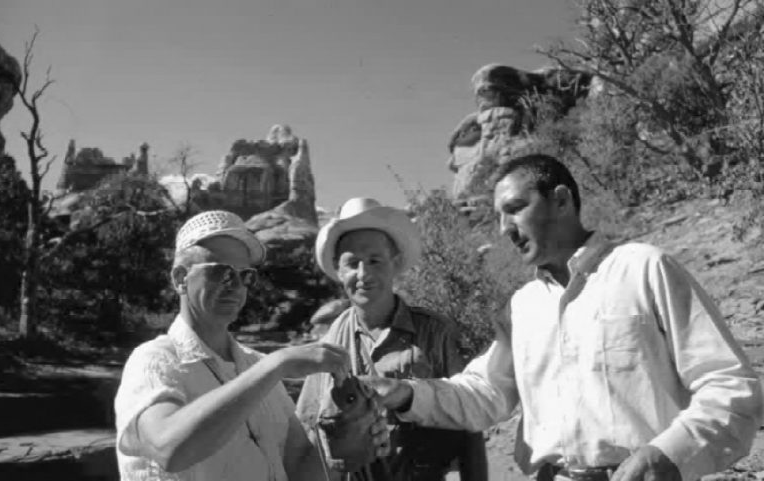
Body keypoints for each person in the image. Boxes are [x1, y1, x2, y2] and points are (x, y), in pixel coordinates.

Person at [364, 155, 764, 481]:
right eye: (499, 218)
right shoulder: (523, 306)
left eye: (515, 209)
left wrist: (669, 454)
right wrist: (405, 394)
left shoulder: (644, 268)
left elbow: (729, 384)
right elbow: (485, 394)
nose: (505, 228)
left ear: (560, 200)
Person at [114, 210, 388, 481]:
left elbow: (300, 469)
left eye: (245, 276)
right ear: (180, 278)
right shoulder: (153, 360)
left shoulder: (257, 365)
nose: (234, 285)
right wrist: (277, 365)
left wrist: (346, 440)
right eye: (220, 272)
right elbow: (168, 449)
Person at [296, 197, 487, 481]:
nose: (364, 274)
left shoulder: (436, 332)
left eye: (375, 260)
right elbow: (309, 425)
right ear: (338, 269)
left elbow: (469, 420)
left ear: (395, 263)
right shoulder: (330, 342)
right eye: (352, 263)